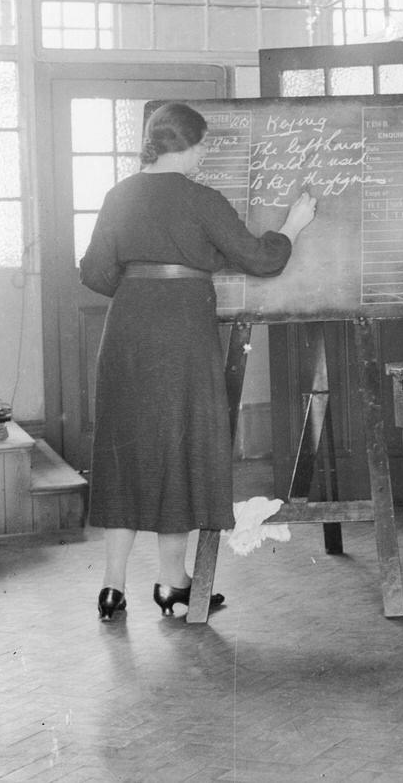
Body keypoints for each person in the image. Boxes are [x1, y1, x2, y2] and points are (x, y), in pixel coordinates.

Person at [81, 102, 317, 621]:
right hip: (182, 337)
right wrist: (293, 227)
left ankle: (112, 587)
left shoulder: (117, 196)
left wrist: (143, 277)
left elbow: (95, 274)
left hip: (126, 336)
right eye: (203, 145)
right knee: (179, 450)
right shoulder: (200, 198)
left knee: (125, 455)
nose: (205, 154)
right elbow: (261, 259)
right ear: (183, 147)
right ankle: (172, 582)